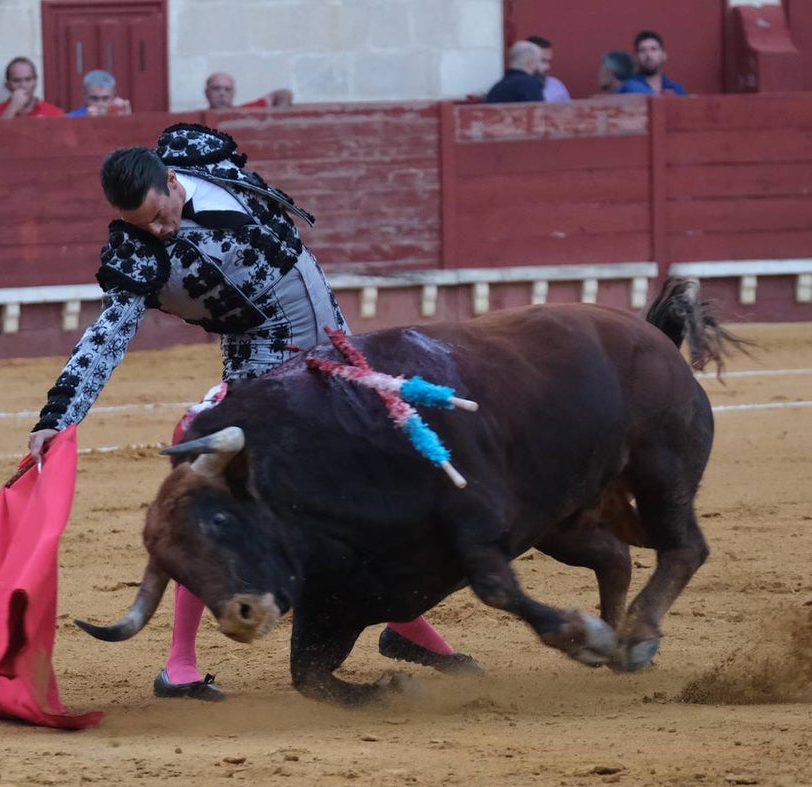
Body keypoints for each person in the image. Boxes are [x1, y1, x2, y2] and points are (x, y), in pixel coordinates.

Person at [27, 124, 478, 702]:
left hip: (336, 347)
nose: (159, 231)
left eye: (160, 216)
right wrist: (59, 415)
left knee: (359, 490)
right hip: (266, 375)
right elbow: (106, 337)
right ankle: (180, 666)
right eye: (143, 226)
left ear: (172, 181)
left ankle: (405, 627)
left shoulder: (198, 156)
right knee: (224, 501)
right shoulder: (138, 256)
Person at [0, 57, 65, 119]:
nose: (23, 85)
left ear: (35, 82)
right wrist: (12, 108)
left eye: (28, 79)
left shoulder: (54, 113)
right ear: (8, 85)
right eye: (16, 80)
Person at [631, 30, 687, 95]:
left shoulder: (677, 90)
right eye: (642, 50)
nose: (648, 55)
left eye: (653, 49)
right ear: (636, 58)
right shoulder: (628, 88)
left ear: (664, 55)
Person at [204, 71, 293, 110]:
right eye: (216, 88)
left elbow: (284, 93)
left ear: (233, 93)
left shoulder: (244, 112)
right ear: (207, 92)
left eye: (228, 89)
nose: (222, 93)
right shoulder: (198, 122)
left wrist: (279, 115)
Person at [67, 70, 132, 117]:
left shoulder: (119, 115)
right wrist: (86, 121)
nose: (100, 104)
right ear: (84, 95)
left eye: (105, 99)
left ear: (114, 96)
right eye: (94, 99)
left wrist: (127, 119)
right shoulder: (69, 119)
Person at [527, 36, 571, 102]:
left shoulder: (555, 85)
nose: (547, 67)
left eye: (549, 61)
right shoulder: (515, 86)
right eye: (543, 61)